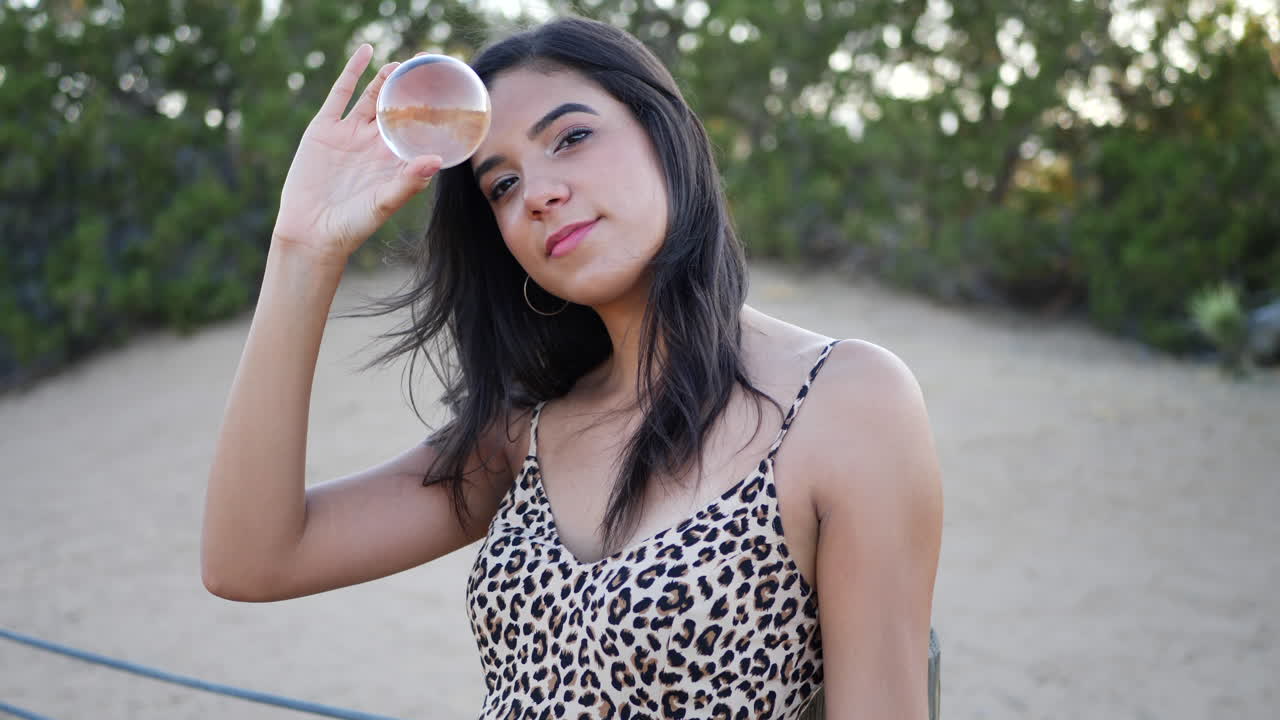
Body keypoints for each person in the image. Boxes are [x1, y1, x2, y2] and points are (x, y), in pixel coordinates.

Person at [203, 16, 943, 720]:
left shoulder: (843, 402)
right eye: (502, 185)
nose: (539, 196)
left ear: (666, 132)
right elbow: (253, 559)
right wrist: (304, 248)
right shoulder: (523, 430)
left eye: (572, 137)